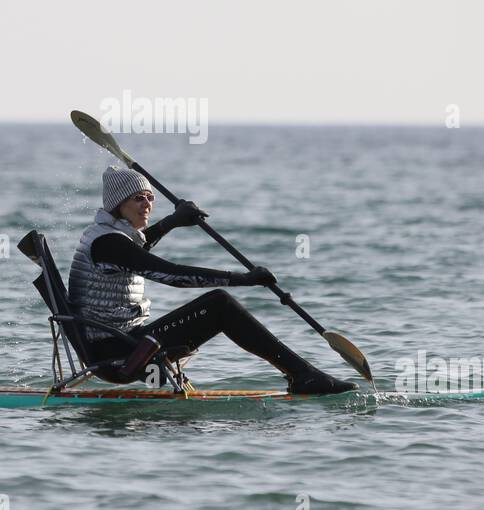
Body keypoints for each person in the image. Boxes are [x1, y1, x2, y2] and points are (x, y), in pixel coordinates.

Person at [68, 166, 357, 395]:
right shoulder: (109, 244)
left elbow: (136, 252)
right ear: (118, 204)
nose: (147, 204)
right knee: (219, 305)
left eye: (150, 198)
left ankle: (302, 374)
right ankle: (303, 375)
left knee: (219, 304)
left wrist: (173, 221)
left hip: (120, 344)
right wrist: (244, 279)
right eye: (138, 198)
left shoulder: (105, 236)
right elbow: (171, 275)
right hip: (120, 353)